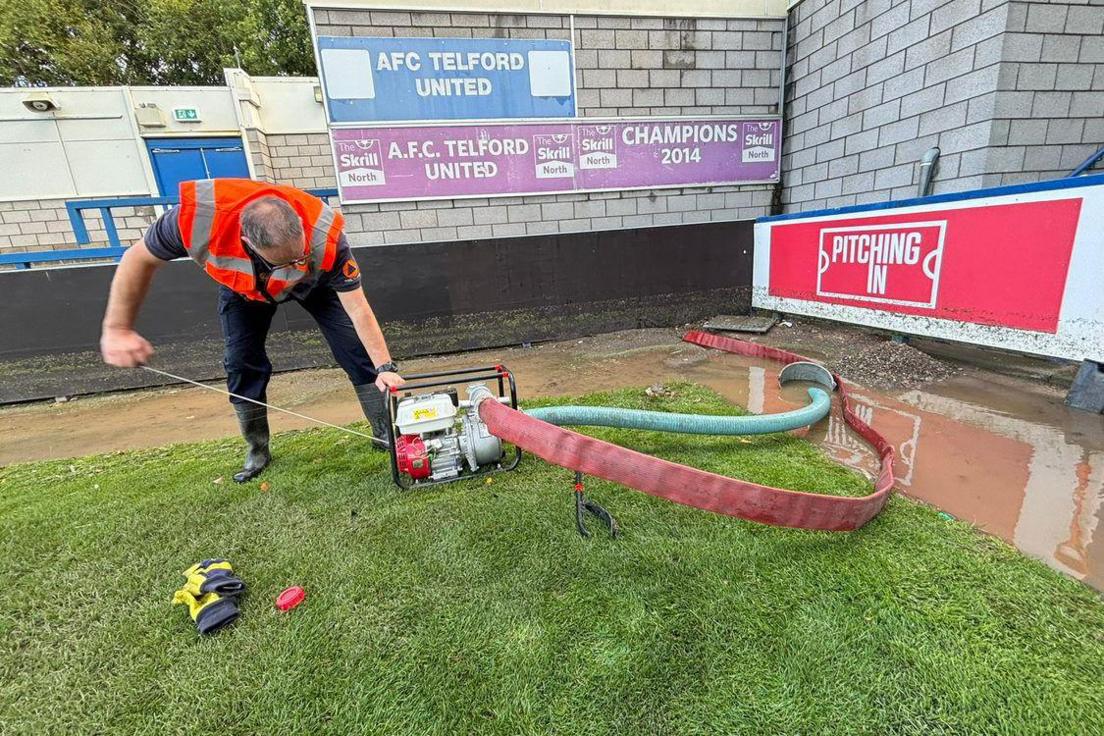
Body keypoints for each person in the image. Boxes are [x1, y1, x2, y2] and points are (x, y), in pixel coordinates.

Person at [100, 178, 404, 482]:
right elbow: (136, 259)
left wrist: (385, 366)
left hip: (314, 285)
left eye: (299, 255)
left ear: (299, 223)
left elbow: (358, 308)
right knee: (241, 362)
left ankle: (384, 432)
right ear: (248, 243)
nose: (292, 265)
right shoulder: (194, 219)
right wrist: (117, 328)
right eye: (283, 261)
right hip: (243, 290)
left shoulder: (326, 233)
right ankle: (257, 450)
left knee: (354, 350)